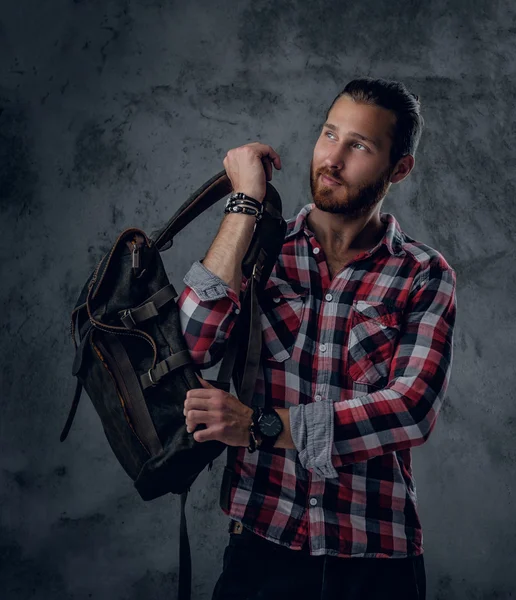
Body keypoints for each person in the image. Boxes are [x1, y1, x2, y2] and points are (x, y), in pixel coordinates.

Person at [178, 77, 456, 600]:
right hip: (260, 548)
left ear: (399, 168)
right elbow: (193, 345)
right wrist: (244, 203)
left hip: (375, 560)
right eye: (330, 135)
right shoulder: (261, 249)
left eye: (359, 146)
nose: (333, 158)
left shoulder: (423, 273)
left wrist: (260, 425)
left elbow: (410, 409)